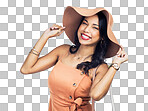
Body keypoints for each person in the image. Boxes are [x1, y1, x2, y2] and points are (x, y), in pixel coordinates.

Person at [20, 6, 128, 111]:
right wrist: (45, 36)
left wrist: (115, 65)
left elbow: (96, 95)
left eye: (95, 27)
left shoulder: (100, 67)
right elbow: (26, 69)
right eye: (85, 23)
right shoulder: (62, 51)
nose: (86, 29)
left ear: (102, 36)